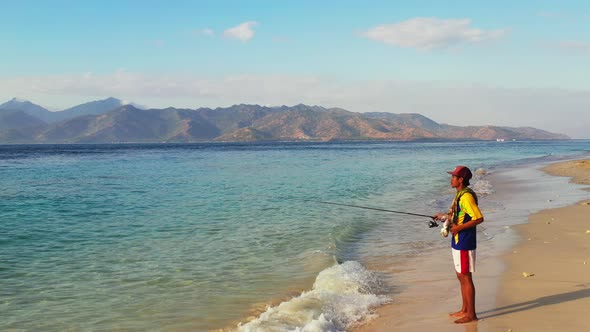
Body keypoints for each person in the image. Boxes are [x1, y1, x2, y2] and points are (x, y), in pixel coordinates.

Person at [434, 165, 484, 324]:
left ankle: (471, 314)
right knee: (460, 275)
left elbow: (478, 218)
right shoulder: (460, 194)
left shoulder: (466, 197)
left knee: (466, 277)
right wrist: (443, 217)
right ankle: (465, 309)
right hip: (458, 240)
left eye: (454, 177)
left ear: (461, 180)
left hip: (465, 241)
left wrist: (458, 228)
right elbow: (458, 214)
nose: (451, 179)